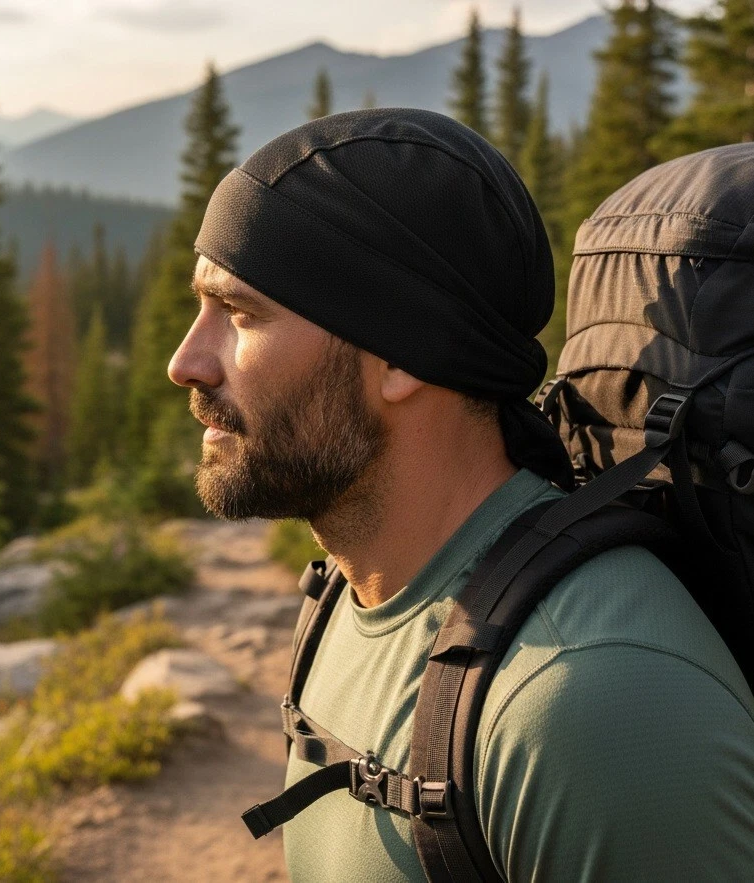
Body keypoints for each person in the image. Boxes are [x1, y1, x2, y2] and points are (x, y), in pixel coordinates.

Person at [167, 109, 754, 881]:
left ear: (401, 354)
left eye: (240, 312)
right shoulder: (354, 593)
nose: (187, 362)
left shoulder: (593, 706)